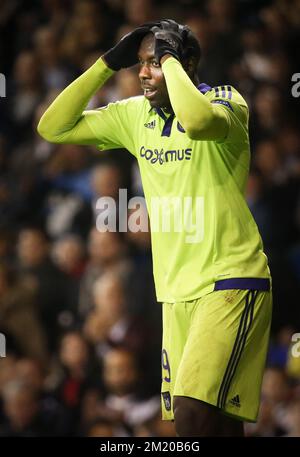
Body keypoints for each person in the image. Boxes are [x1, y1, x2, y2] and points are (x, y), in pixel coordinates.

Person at [37, 19, 272, 437]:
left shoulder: (225, 101)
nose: (145, 71)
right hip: (175, 294)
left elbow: (198, 122)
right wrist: (108, 64)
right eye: (141, 62)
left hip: (231, 280)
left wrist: (171, 58)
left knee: (190, 417)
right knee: (214, 426)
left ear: (187, 64)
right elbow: (52, 127)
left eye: (157, 62)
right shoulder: (134, 116)